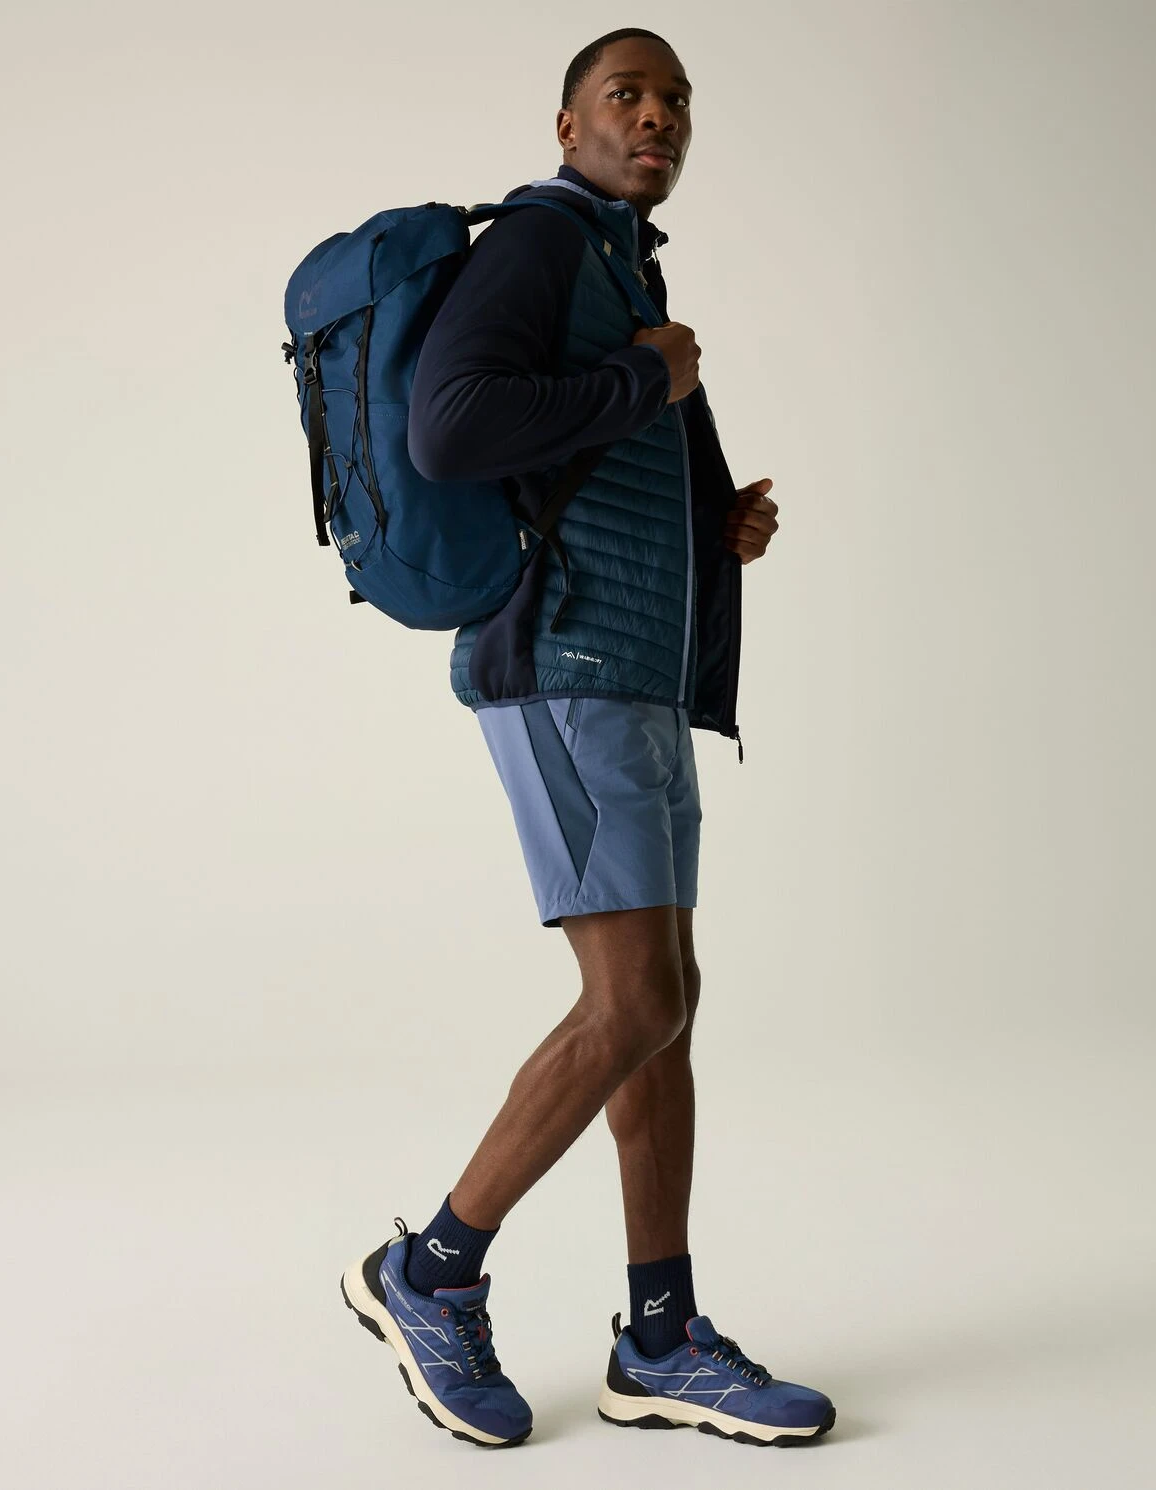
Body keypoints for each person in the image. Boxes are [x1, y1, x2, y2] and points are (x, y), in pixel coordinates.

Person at [339, 27, 833, 1448]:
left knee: (665, 1001)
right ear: (567, 125)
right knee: (631, 1002)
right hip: (561, 666)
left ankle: (660, 1338)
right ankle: (429, 1270)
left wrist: (713, 523)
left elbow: (581, 448)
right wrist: (646, 383)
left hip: (634, 673)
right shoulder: (542, 241)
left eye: (675, 99)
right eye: (627, 93)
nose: (656, 115)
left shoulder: (620, 269)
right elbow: (451, 428)